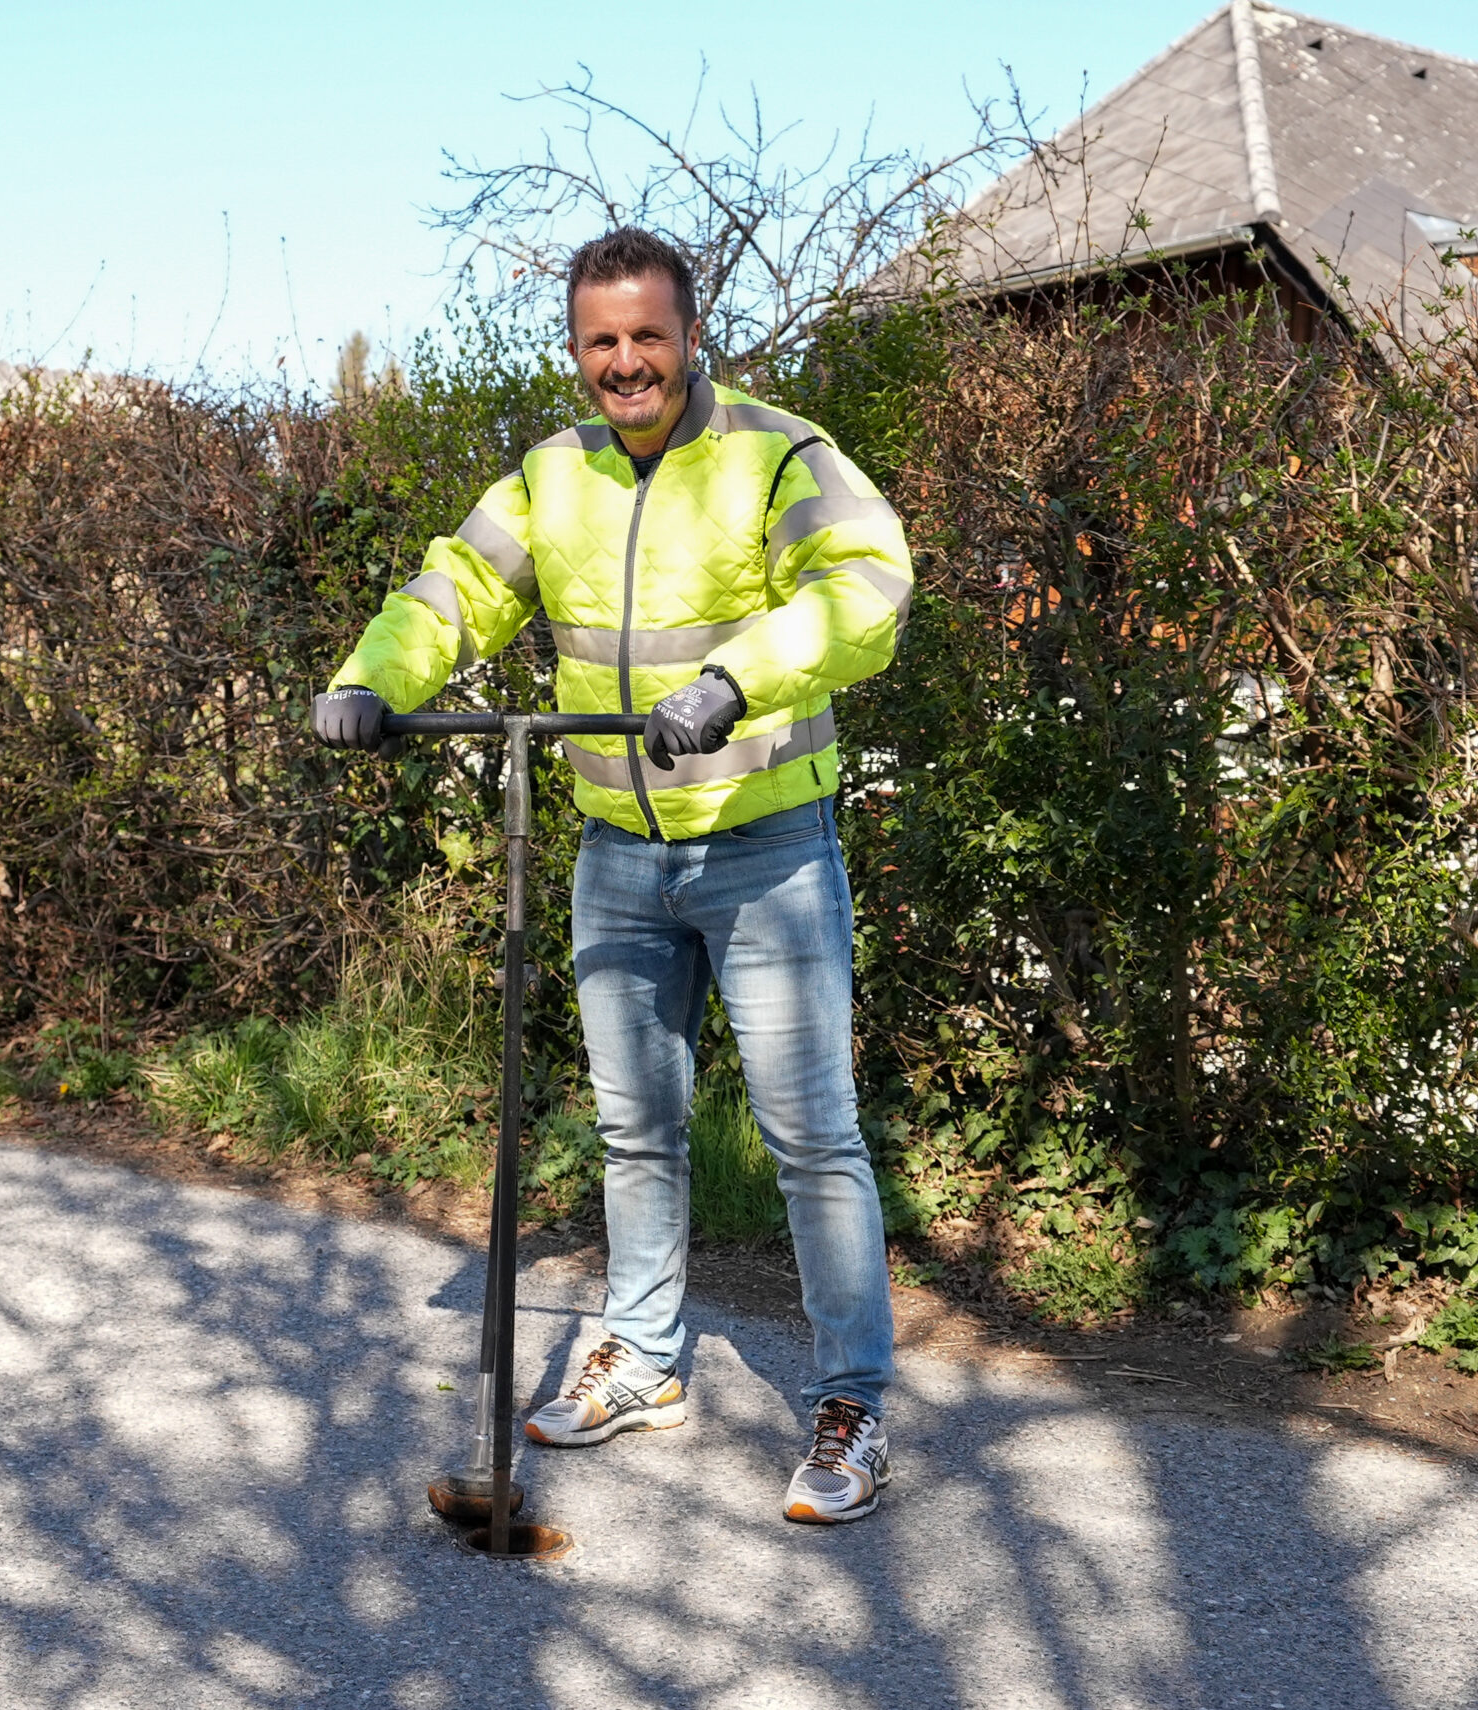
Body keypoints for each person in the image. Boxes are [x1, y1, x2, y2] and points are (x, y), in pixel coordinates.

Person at [313, 226, 910, 1523]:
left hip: (767, 847)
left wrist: (734, 680)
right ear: (576, 349)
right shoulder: (554, 476)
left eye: (648, 335)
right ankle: (642, 1356)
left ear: (692, 336)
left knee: (811, 1134)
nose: (625, 362)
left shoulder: (776, 453)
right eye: (602, 340)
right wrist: (374, 678)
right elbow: (458, 589)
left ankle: (854, 1400)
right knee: (637, 1126)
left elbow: (866, 586)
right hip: (619, 852)